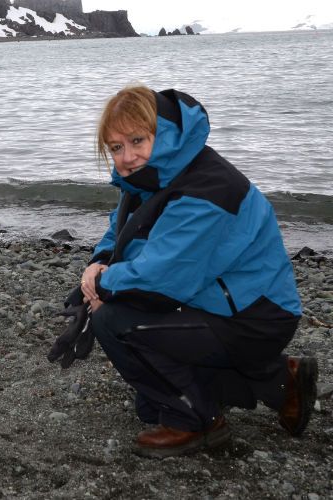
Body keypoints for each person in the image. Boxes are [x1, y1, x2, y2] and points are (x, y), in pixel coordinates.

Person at [72, 85, 317, 458]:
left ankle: (197, 422)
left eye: (137, 140)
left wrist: (102, 284)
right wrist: (98, 261)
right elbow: (120, 230)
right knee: (148, 407)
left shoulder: (207, 187)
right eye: (116, 148)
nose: (127, 157)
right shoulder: (155, 175)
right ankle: (281, 380)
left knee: (113, 320)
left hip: (255, 315)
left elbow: (161, 279)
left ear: (167, 132)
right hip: (214, 299)